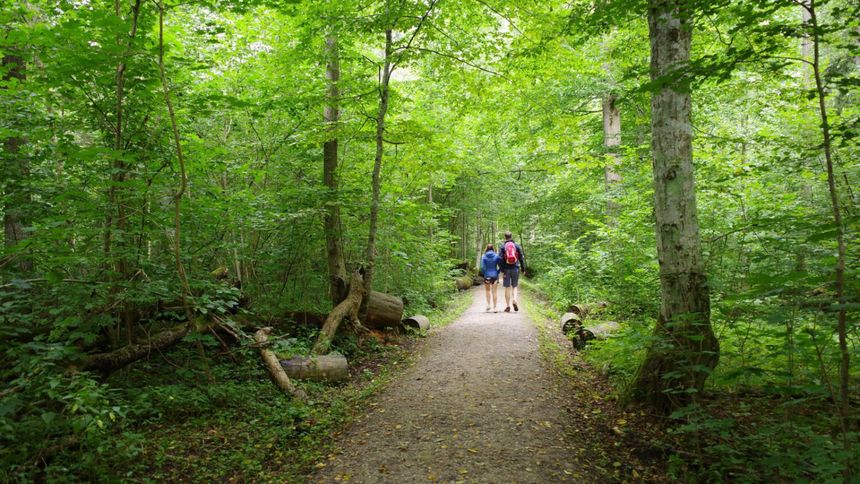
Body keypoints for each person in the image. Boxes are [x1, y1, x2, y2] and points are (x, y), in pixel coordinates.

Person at [499, 231, 526, 312]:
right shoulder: (516, 246)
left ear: (505, 237)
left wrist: (502, 270)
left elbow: (500, 259)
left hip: (506, 269)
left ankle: (507, 306)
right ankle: (514, 300)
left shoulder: (503, 246)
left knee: (507, 287)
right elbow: (521, 258)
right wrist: (523, 269)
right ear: (511, 236)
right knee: (514, 286)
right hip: (515, 268)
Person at [480, 244, 502, 312]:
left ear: (486, 248)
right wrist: (497, 272)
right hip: (495, 275)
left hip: (487, 275)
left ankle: (488, 305)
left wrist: (484, 273)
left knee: (487, 290)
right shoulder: (496, 256)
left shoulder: (484, 256)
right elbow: (501, 266)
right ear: (493, 249)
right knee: (494, 291)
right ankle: (495, 308)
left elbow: (482, 267)